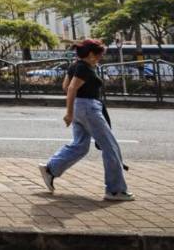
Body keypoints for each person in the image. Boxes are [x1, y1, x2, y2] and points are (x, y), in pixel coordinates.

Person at [39, 39, 133, 201]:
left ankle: (51, 169)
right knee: (110, 147)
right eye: (98, 55)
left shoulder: (75, 65)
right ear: (90, 54)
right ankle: (115, 190)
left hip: (79, 107)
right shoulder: (84, 68)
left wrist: (72, 110)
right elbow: (71, 88)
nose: (100, 58)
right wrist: (68, 113)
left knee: (80, 145)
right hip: (88, 107)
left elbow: (65, 87)